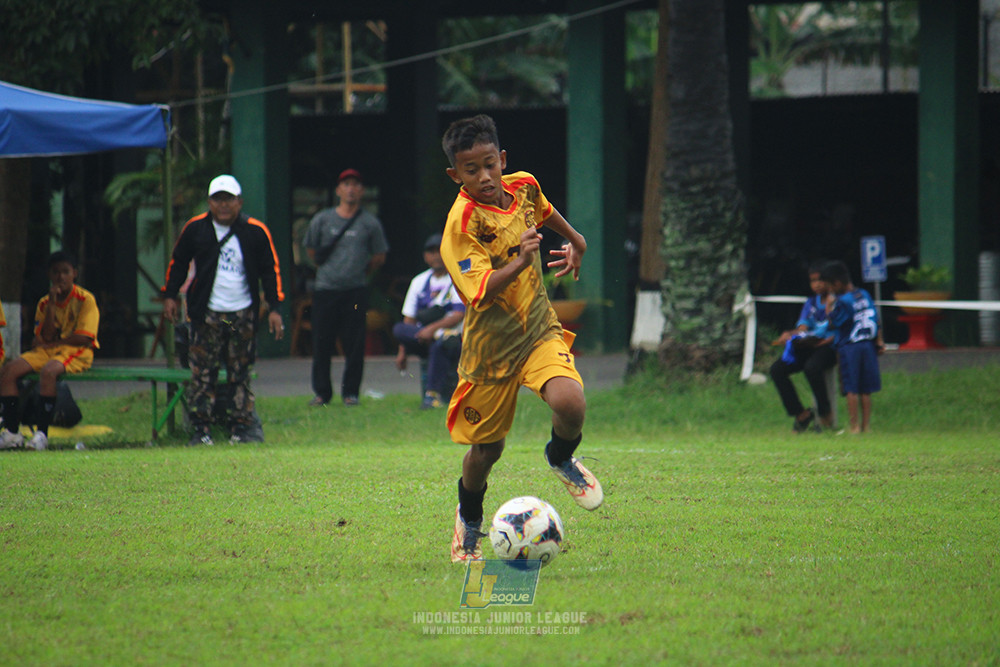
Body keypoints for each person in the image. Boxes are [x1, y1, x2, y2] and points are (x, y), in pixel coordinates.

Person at [439, 114, 603, 563]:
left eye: (490, 164)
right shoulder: (462, 224)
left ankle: (561, 457)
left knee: (570, 403)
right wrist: (520, 260)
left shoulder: (524, 185)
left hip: (536, 329)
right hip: (489, 351)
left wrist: (576, 240)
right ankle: (469, 519)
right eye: (471, 170)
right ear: (456, 175)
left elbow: (544, 210)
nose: (485, 176)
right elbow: (479, 291)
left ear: (502, 159)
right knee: (487, 450)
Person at [161, 174, 285, 445]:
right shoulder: (196, 229)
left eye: (229, 199)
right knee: (202, 372)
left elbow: (270, 270)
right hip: (206, 313)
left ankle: (242, 427)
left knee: (241, 371)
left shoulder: (255, 230)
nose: (224, 205)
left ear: (239, 202)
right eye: (218, 199)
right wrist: (170, 295)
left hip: (242, 312)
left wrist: (274, 307)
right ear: (209, 202)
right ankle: (201, 428)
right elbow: (178, 262)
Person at [303, 168, 389, 407]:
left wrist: (360, 272)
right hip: (325, 289)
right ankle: (322, 393)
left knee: (354, 342)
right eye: (346, 184)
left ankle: (350, 393)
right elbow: (311, 249)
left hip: (355, 290)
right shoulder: (322, 219)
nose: (351, 189)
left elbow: (379, 256)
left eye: (355, 184)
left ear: (361, 191)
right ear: (339, 190)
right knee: (322, 342)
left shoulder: (369, 223)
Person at [0, 250, 99, 451]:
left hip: (77, 351)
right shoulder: (45, 302)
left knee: (49, 371)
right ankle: (11, 433)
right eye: (56, 272)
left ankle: (42, 434)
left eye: (65, 271)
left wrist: (52, 344)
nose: (60, 277)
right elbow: (45, 336)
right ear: (50, 275)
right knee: (9, 370)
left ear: (74, 274)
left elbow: (85, 337)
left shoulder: (85, 300)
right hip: (49, 350)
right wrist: (53, 304)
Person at [394, 233, 465, 409]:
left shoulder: (457, 276)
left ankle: (431, 396)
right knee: (399, 329)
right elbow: (409, 319)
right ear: (425, 256)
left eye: (440, 251)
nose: (436, 256)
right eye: (431, 252)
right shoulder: (419, 281)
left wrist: (432, 330)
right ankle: (432, 395)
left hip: (456, 336)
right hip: (426, 336)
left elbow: (458, 314)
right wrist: (402, 351)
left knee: (442, 343)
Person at [769, 261, 837, 432]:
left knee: (812, 368)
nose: (817, 284)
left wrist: (830, 308)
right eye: (813, 281)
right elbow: (803, 327)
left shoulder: (839, 301)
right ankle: (801, 414)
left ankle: (824, 414)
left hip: (829, 346)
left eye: (821, 280)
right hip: (810, 345)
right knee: (777, 369)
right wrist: (791, 335)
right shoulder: (811, 302)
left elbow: (837, 328)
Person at [821, 260, 883, 434]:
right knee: (866, 389)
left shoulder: (843, 301)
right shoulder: (864, 294)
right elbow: (875, 319)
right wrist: (879, 341)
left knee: (851, 388)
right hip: (868, 346)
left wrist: (828, 307)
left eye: (830, 287)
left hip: (850, 347)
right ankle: (866, 426)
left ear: (837, 283)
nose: (830, 291)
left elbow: (833, 323)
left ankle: (854, 426)